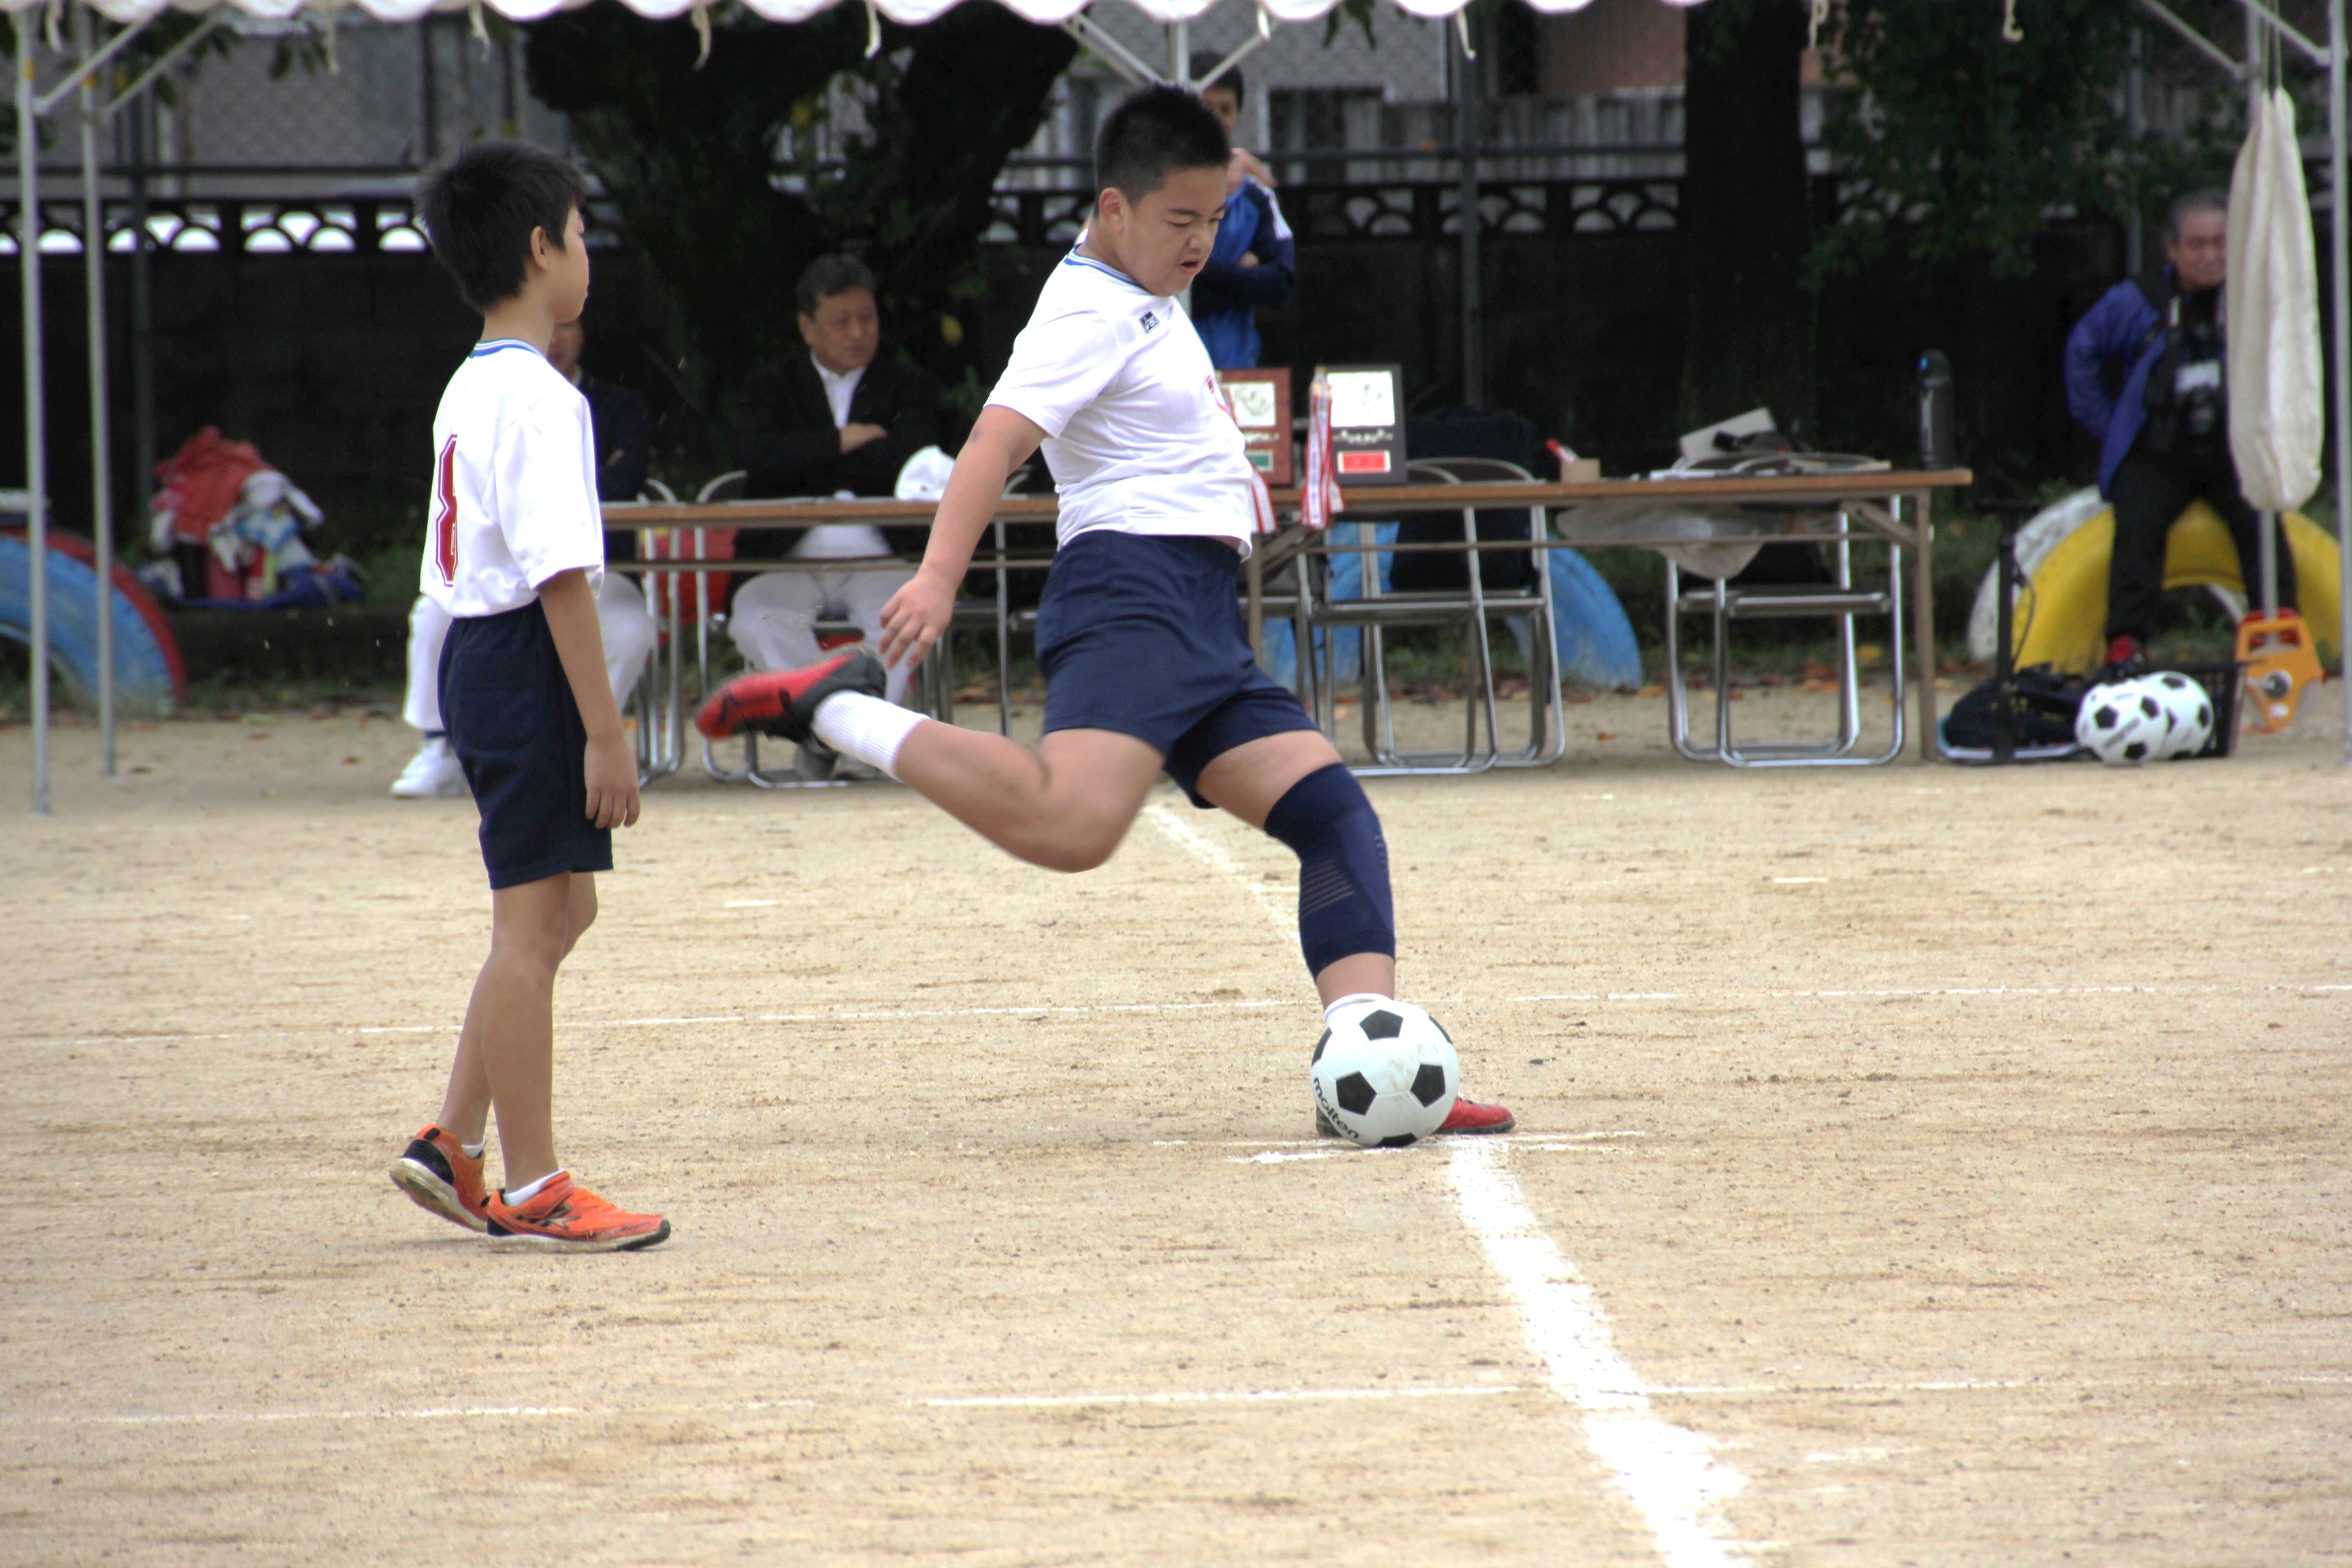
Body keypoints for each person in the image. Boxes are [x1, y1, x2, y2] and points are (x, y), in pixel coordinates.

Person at [696, 86, 1514, 1139]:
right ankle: (838, 710)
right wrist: (939, 579)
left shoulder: (1144, 289)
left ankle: (1377, 1060)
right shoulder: (1085, 302)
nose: (1202, 243)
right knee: (1075, 827)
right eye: (1182, 221)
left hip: (1195, 610)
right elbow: (995, 442)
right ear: (1113, 207)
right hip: (1132, 596)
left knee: (1332, 817)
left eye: (1216, 219)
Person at [387, 140, 668, 1252]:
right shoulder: (545, 397)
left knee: (559, 911)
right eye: (582, 230)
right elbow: (559, 577)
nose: (589, 251)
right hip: (519, 655)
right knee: (530, 921)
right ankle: (535, 1177)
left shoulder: (473, 380)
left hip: (481, 652)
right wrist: (608, 729)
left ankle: (453, 1139)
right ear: (540, 247)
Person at [391, 313, 657, 798]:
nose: (556, 338)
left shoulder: (609, 404)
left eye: (569, 326)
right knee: (432, 614)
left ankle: (587, 738)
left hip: (591, 565)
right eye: (548, 324)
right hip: (500, 568)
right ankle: (439, 744)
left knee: (629, 629)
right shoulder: (495, 389)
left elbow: (625, 479)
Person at [2064, 187, 2296, 677]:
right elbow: (2080, 352)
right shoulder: (2136, 302)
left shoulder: (2254, 300)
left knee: (2264, 521)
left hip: (2234, 451)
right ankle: (2126, 645)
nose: (2211, 255)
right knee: (2137, 528)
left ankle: (2278, 637)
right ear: (2171, 249)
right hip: (2158, 451)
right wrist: (2111, 429)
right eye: (2197, 244)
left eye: (2221, 242)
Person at [728, 256, 944, 774]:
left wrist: (806, 461)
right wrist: (843, 442)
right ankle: (836, 734)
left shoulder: (908, 383)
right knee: (756, 616)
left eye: (866, 318)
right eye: (841, 321)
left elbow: (913, 462)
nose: (857, 333)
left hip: (882, 553)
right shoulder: (771, 385)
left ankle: (834, 739)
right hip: (787, 558)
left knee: (905, 623)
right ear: (807, 327)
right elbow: (755, 457)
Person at [1188, 53, 1294, 372]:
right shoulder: (1155, 191)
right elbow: (1159, 284)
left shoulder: (1255, 196)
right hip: (1171, 373)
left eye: (1226, 110)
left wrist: (1205, 273)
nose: (1217, 120)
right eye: (1207, 109)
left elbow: (1280, 284)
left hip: (1238, 366)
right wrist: (1240, 272)